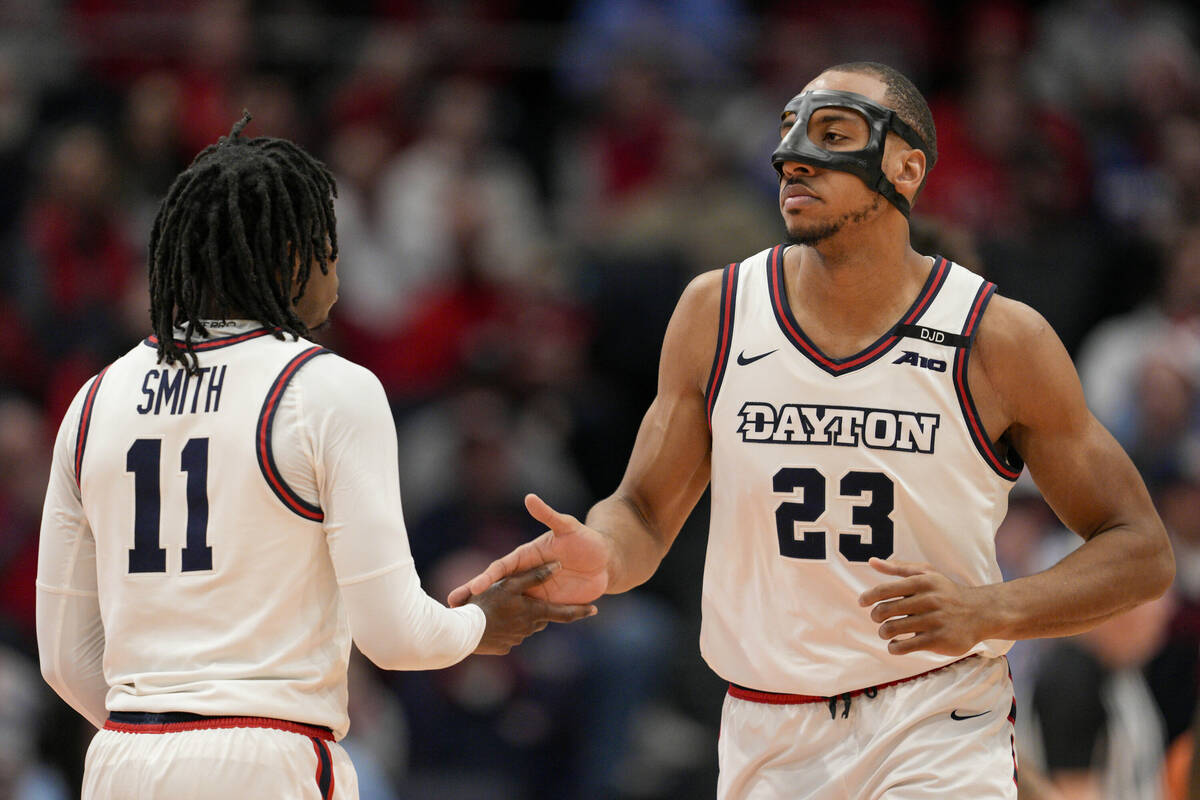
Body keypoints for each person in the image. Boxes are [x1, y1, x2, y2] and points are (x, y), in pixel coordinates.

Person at [449, 61, 1175, 798]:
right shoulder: (717, 311)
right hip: (767, 727)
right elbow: (641, 511)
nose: (794, 154)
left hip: (935, 714)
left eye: (832, 133)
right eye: (789, 131)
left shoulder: (997, 338)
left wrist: (995, 609)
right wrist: (600, 552)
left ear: (906, 165)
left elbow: (1141, 549)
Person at [35, 114, 595, 800]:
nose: (339, 264)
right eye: (331, 243)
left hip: (123, 757)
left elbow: (65, 660)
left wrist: (167, 736)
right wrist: (484, 622)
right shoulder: (325, 387)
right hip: (268, 757)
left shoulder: (94, 399)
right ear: (289, 256)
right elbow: (393, 635)